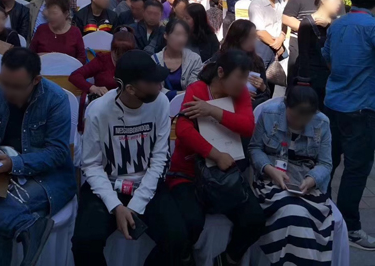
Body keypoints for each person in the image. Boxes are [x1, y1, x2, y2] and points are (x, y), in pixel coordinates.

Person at [72, 50, 189, 266]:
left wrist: (135, 205)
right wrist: (116, 206)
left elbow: (160, 158)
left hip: (147, 183)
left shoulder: (161, 103)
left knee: (177, 239)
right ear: (130, 89)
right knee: (84, 243)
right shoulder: (98, 111)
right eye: (152, 82)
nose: (159, 85)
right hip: (106, 184)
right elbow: (91, 165)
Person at [0, 48, 77, 266]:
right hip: (2, 173)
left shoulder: (56, 99)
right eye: (4, 83)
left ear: (36, 80)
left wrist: (15, 163)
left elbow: (58, 153)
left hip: (46, 178)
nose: (7, 92)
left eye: (16, 87)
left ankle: (29, 228)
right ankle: (29, 227)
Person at [169, 50, 265, 264]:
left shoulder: (240, 94)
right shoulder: (197, 89)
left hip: (225, 176)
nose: (243, 84)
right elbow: (183, 130)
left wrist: (212, 111)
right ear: (221, 72)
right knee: (190, 222)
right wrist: (215, 155)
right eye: (239, 77)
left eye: (246, 78)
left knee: (255, 220)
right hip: (189, 174)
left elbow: (247, 127)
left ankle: (228, 258)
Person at [249, 79, 335, 265]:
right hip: (271, 183)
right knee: (294, 213)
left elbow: (326, 163)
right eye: (296, 115)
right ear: (286, 105)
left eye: (307, 116)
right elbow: (255, 148)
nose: (301, 121)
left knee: (304, 215)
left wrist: (312, 179)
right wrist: (270, 170)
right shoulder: (269, 114)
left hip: (307, 186)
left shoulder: (322, 123)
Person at [322, 0, 375, 248]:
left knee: (328, 163)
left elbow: (327, 57)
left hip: (333, 103)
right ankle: (349, 228)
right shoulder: (372, 27)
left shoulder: (337, 24)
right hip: (361, 108)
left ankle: (322, 217)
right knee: (356, 169)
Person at [283, 0, 344, 82]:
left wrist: (328, 23)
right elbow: (286, 17)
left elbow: (341, 20)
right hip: (300, 45)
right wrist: (307, 27)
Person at [297, 0, 343, 109]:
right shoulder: (308, 23)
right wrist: (304, 83)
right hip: (314, 80)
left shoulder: (339, 23)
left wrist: (329, 24)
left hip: (334, 79)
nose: (339, 3)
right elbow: (304, 55)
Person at [221, 19, 270, 109]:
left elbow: (267, 95)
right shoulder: (222, 58)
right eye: (250, 37)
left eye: (255, 37)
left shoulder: (257, 61)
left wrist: (263, 87)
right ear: (238, 38)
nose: (254, 41)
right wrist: (238, 95)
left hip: (253, 108)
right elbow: (213, 89)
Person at [69, 31, 137, 97]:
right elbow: (75, 76)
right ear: (112, 49)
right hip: (103, 100)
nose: (121, 58)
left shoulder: (136, 62)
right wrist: (93, 88)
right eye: (118, 54)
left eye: (124, 54)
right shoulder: (102, 60)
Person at [153, 19, 202, 100]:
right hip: (161, 103)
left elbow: (194, 87)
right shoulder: (154, 60)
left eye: (185, 35)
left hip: (187, 103)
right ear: (166, 35)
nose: (181, 39)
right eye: (177, 34)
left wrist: (173, 94)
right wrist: (178, 94)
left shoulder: (194, 59)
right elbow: (154, 89)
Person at [30, 0, 86, 64]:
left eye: (54, 13)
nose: (51, 17)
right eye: (49, 13)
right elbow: (30, 54)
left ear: (66, 14)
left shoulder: (75, 32)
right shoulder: (41, 29)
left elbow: (82, 58)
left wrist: (62, 59)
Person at [248, 0, 285, 70]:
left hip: (277, 44)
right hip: (262, 46)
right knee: (259, 75)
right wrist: (277, 46)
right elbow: (260, 32)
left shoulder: (280, 1)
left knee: (273, 75)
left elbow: (285, 20)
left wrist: (281, 38)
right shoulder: (257, 5)